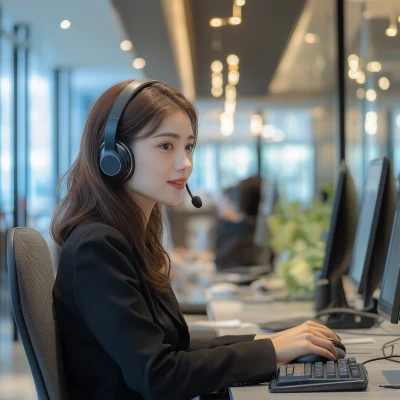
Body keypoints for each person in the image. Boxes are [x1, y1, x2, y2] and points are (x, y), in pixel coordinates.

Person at [51, 79, 340, 400]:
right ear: (114, 155)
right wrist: (272, 350)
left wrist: (271, 343)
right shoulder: (98, 246)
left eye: (188, 146)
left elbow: (177, 348)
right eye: (166, 146)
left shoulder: (130, 236)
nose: (184, 163)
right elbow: (158, 375)